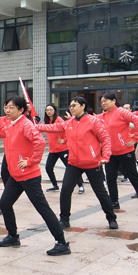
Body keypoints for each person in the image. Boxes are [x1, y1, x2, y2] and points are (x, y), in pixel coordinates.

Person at [0, 97, 71, 256]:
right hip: (16, 176)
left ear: (21, 110)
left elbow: (40, 142)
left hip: (29, 176)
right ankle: (13, 236)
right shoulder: (10, 125)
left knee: (43, 208)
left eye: (11, 107)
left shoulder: (25, 125)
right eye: (6, 107)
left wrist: (31, 161)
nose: (7, 110)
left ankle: (62, 243)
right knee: (4, 203)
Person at [37, 97, 118, 229]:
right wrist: (33, 126)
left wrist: (106, 156)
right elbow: (51, 127)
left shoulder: (93, 121)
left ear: (83, 106)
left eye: (74, 105)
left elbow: (105, 139)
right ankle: (64, 219)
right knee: (65, 190)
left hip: (92, 163)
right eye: (70, 106)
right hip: (74, 163)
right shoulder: (69, 123)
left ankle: (111, 218)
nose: (71, 108)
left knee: (101, 193)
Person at [97, 93, 138, 213]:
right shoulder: (103, 115)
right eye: (102, 101)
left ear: (114, 101)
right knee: (110, 178)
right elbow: (90, 120)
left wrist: (135, 138)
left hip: (125, 151)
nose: (103, 103)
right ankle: (114, 202)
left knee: (134, 177)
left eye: (105, 100)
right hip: (110, 153)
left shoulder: (121, 112)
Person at [42, 104, 84, 194]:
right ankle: (55, 185)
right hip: (53, 150)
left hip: (63, 149)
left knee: (71, 168)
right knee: (48, 167)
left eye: (51, 109)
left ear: (54, 110)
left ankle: (80, 185)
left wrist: (64, 140)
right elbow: (40, 128)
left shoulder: (59, 120)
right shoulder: (46, 122)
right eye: (47, 110)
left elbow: (67, 129)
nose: (49, 111)